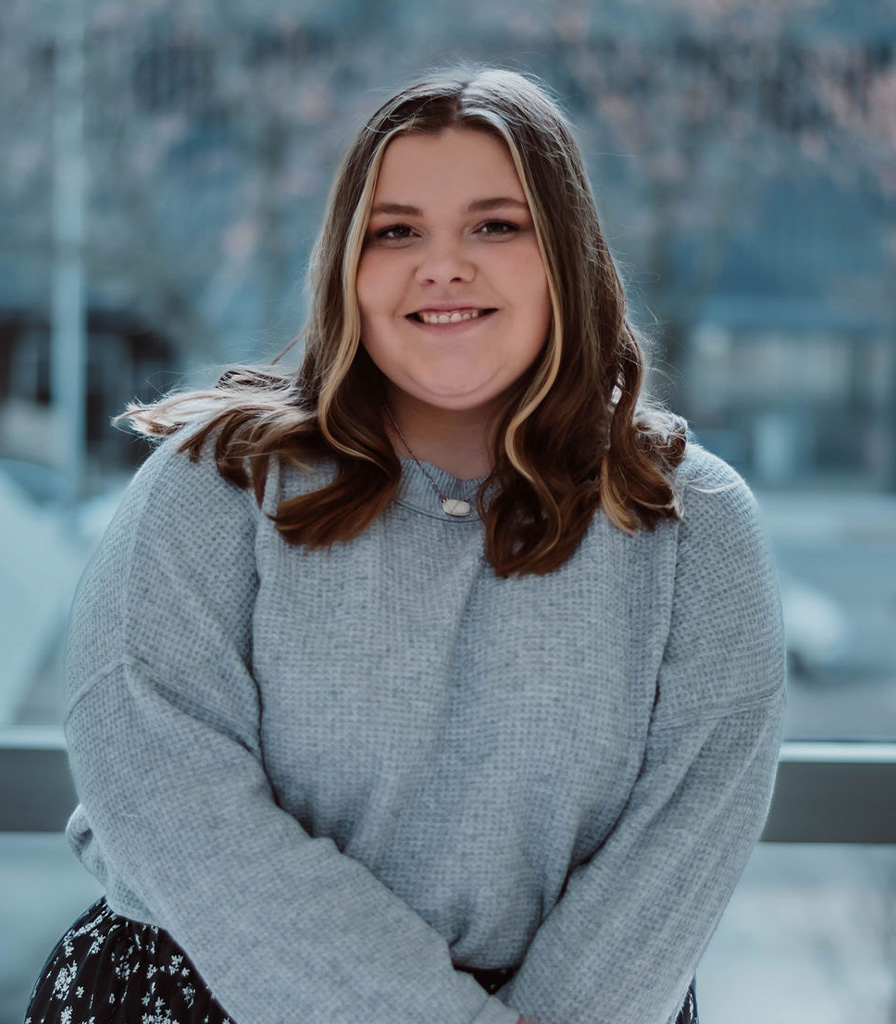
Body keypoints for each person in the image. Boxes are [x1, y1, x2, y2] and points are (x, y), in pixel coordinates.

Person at [25, 66, 785, 1024]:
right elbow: (167, 796)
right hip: (201, 997)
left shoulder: (695, 525)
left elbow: (681, 851)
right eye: (397, 231)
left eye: (494, 225)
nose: (444, 264)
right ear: (349, 264)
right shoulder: (213, 485)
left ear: (568, 257)